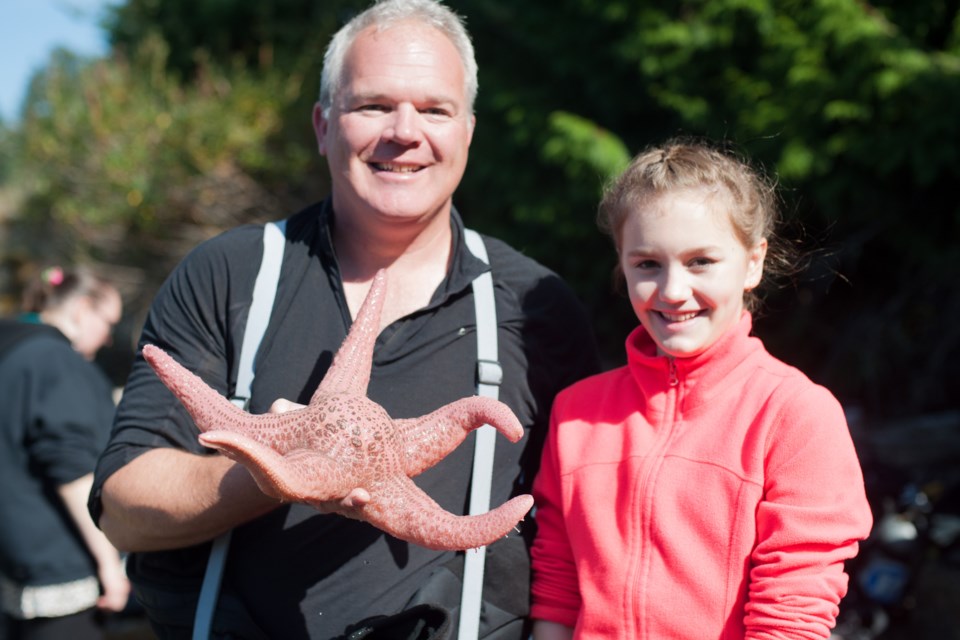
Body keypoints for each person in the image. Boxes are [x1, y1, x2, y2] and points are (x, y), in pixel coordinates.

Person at [88, 0, 599, 638]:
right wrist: (279, 470)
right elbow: (122, 509)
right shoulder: (232, 273)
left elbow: (590, 521)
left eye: (435, 109)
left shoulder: (537, 303)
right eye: (373, 105)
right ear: (323, 125)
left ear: (468, 130)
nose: (405, 132)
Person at [529, 140, 874, 639]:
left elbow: (793, 609)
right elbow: (559, 582)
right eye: (647, 264)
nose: (672, 290)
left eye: (701, 262)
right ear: (621, 264)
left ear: (753, 263)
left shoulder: (796, 413)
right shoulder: (577, 412)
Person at [0, 266, 130, 640]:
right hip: (62, 572)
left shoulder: (13, 350)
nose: (108, 339)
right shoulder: (54, 360)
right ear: (82, 309)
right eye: (109, 323)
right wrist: (109, 564)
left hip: (15, 564)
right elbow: (72, 471)